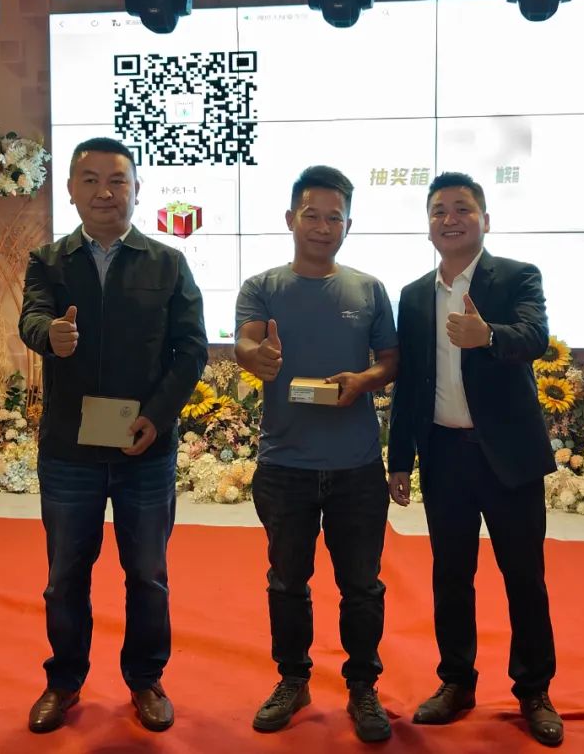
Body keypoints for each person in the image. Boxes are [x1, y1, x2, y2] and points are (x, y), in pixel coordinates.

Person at [19, 137, 208, 734]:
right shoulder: (49, 261)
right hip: (69, 450)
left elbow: (191, 349)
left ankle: (146, 679)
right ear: (71, 191)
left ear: (136, 189)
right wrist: (50, 335)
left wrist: (158, 415)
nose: (105, 192)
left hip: (143, 448)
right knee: (64, 578)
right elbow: (30, 318)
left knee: (147, 575)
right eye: (91, 180)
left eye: (117, 180)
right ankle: (63, 681)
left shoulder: (167, 263)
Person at [387, 172, 563, 746]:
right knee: (451, 577)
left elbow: (534, 337)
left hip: (507, 457)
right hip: (444, 456)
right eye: (439, 210)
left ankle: (533, 690)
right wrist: (399, 459)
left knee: (524, 578)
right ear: (428, 226)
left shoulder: (516, 276)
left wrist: (487, 335)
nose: (450, 218)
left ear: (485, 220)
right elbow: (410, 383)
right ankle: (456, 682)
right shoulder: (415, 295)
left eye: (462, 208)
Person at [234, 165, 399, 743]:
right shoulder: (262, 286)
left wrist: (365, 380)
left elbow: (391, 360)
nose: (323, 227)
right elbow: (246, 341)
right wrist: (258, 357)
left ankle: (363, 687)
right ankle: (293, 679)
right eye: (312, 215)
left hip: (357, 466)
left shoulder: (368, 289)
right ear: (290, 219)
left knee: (363, 586)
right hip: (285, 465)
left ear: (348, 225)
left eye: (335, 218)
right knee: (287, 582)